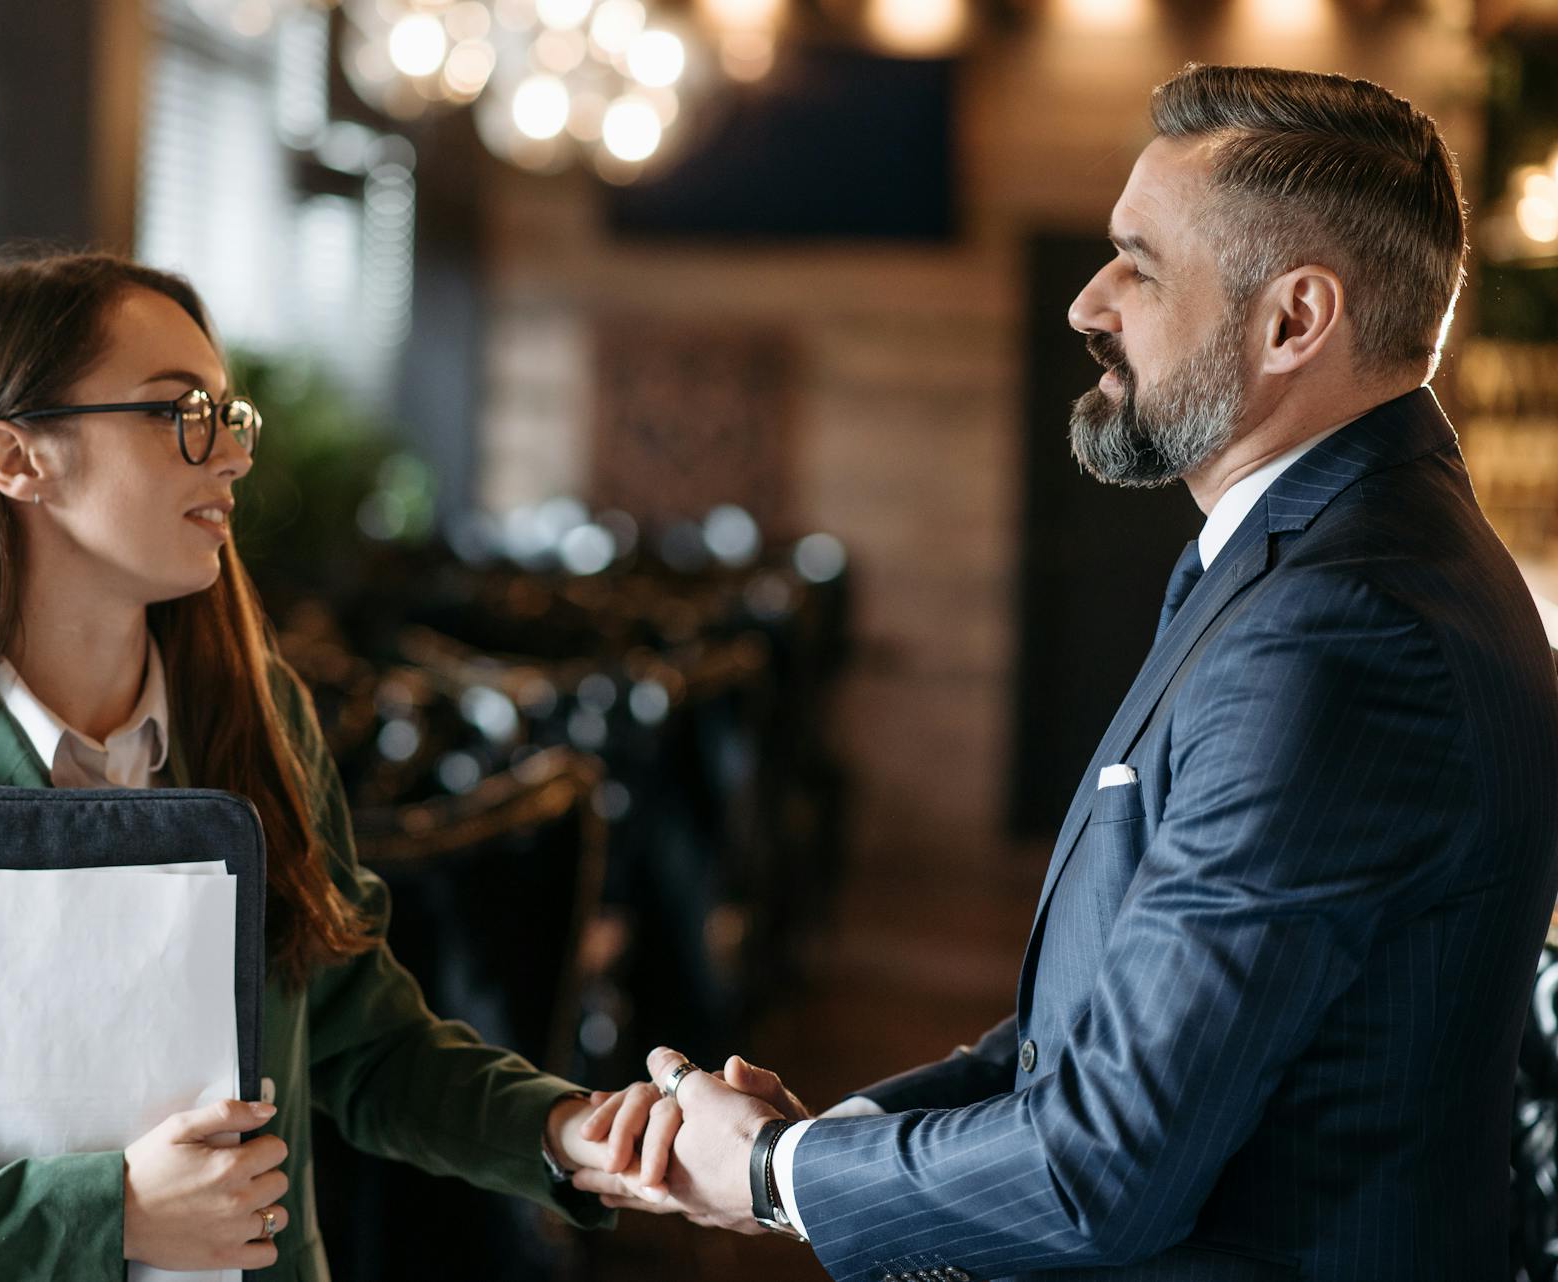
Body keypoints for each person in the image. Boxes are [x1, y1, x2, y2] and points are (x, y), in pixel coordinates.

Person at [575, 63, 1558, 1281]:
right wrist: (825, 1142)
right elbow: (1112, 1019)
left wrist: (776, 1178)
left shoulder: (1346, 625)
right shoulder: (1323, 558)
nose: (1089, 302)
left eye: (1138, 264)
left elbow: (1105, 1169)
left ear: (1294, 320)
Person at [0, 252, 682, 1281]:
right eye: (180, 413)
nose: (234, 457)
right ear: (15, 457)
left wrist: (575, 1133)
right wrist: (107, 1210)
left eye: (228, 415)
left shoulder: (258, 725)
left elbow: (362, 1043)